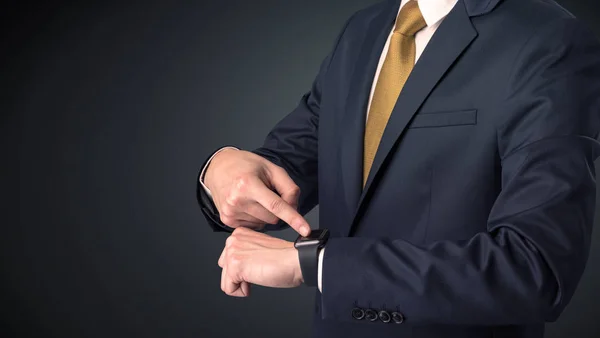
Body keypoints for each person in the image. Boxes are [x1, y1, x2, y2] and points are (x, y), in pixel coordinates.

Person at [196, 0, 600, 337]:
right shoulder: (363, 30)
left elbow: (535, 268)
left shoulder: (548, 40)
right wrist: (218, 172)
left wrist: (316, 264)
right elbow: (280, 169)